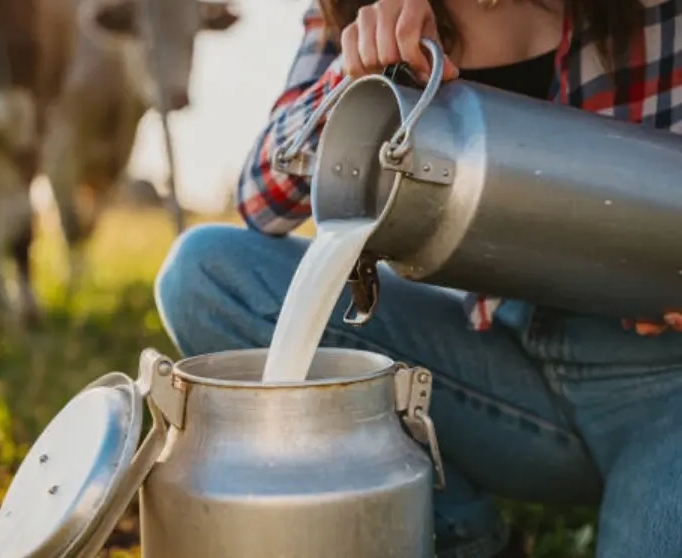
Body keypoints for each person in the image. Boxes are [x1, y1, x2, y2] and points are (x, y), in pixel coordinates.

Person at [154, 0, 682, 556]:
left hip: (663, 384)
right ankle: (469, 539)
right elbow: (263, 201)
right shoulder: (360, 8)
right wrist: (355, 79)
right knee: (206, 276)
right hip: (496, 364)